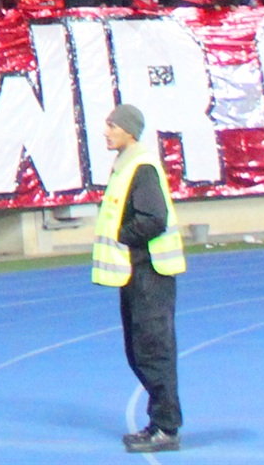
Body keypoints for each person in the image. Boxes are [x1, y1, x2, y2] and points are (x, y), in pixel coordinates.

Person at [95, 102, 186, 453]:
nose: (106, 132)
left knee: (152, 351)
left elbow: (153, 219)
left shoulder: (141, 167)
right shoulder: (126, 165)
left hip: (151, 272)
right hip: (135, 273)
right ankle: (158, 422)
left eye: (113, 126)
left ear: (129, 131)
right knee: (139, 352)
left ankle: (166, 428)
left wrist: (122, 235)